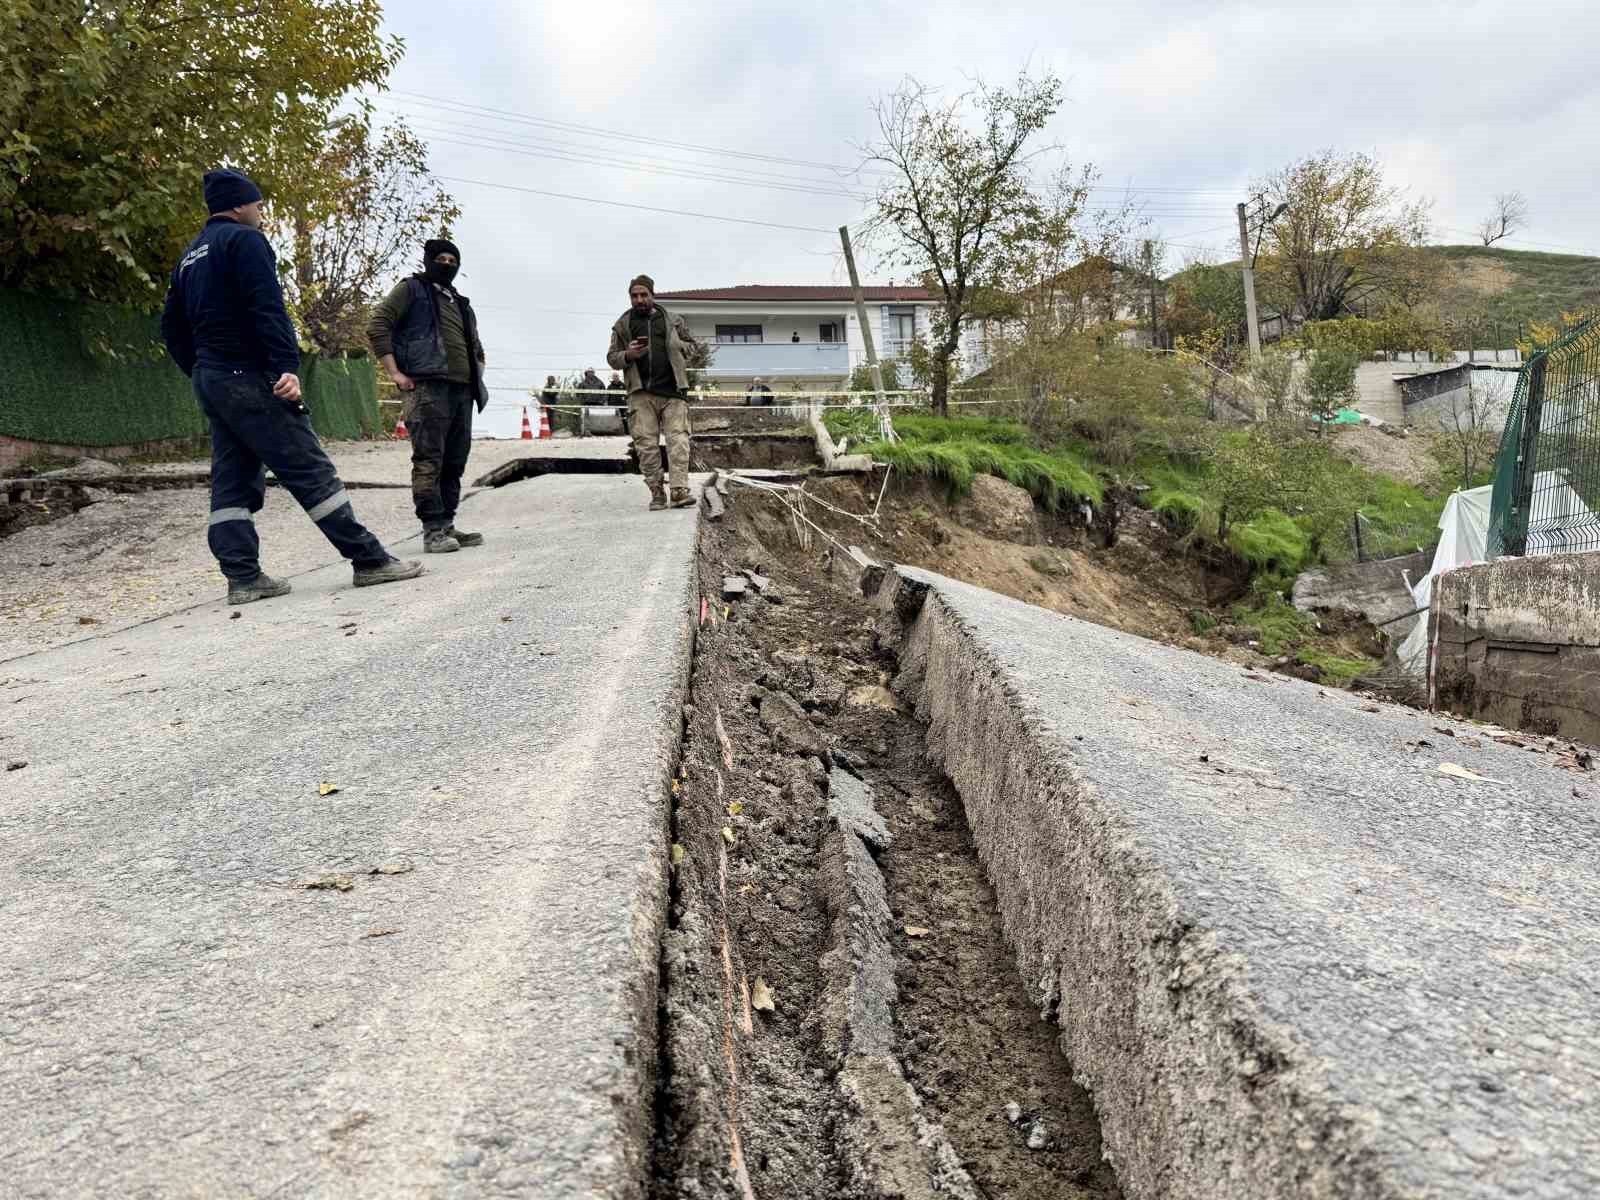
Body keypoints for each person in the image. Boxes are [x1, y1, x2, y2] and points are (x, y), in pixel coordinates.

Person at [160, 168, 422, 604]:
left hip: (213, 379)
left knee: (233, 481)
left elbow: (171, 328)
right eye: (258, 205)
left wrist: (204, 369)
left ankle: (243, 578)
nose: (261, 213)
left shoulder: (189, 256)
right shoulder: (245, 241)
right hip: (249, 376)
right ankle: (369, 560)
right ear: (241, 205)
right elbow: (268, 308)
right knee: (308, 467)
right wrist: (285, 366)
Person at [367, 238, 488, 554]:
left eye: (453, 260)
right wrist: (395, 373)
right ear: (429, 260)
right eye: (442, 259)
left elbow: (475, 345)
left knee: (454, 461)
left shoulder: (460, 302)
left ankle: (447, 523)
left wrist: (478, 371)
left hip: (462, 392)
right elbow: (378, 326)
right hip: (427, 389)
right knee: (429, 460)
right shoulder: (411, 290)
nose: (447, 264)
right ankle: (432, 529)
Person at [607, 274, 703, 511]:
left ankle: (679, 491)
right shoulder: (623, 324)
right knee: (645, 445)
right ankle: (657, 492)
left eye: (643, 295)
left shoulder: (673, 320)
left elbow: (694, 349)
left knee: (678, 440)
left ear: (652, 294)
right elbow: (612, 358)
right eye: (634, 296)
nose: (639, 299)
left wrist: (682, 347)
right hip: (641, 393)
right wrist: (628, 354)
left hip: (673, 391)